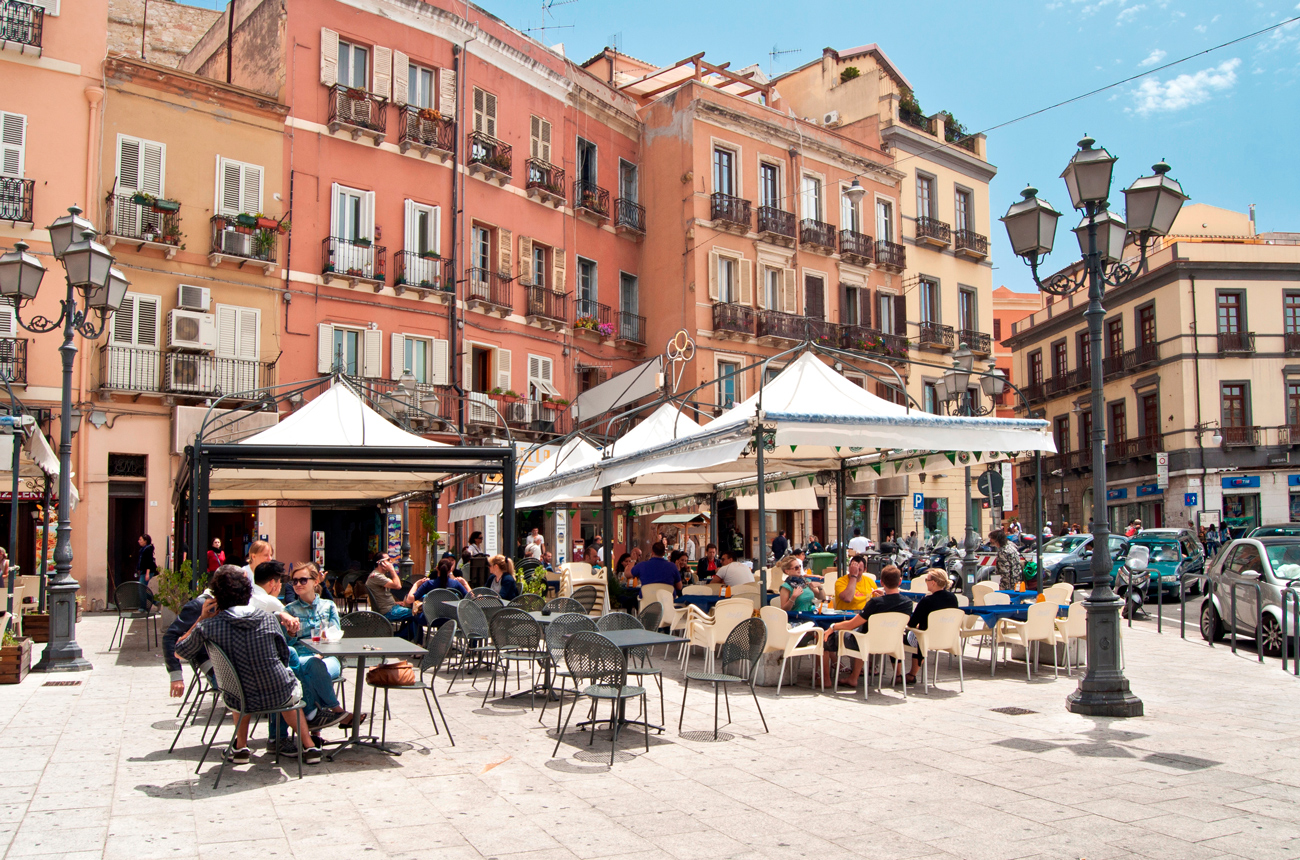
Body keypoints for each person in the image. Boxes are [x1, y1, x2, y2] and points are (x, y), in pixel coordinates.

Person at [174, 565, 322, 765]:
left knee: (239, 685)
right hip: (278, 693)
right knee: (283, 685)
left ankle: (240, 747)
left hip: (239, 698)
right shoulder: (268, 619)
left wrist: (201, 618)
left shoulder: (208, 626)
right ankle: (309, 746)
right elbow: (283, 655)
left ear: (217, 597)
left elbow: (179, 651)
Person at [822, 565, 914, 687]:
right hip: (891, 642)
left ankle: (825, 680)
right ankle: (853, 677)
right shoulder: (907, 603)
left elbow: (851, 625)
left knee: (824, 639)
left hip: (865, 642)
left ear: (881, 582)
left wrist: (833, 627)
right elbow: (891, 606)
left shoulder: (876, 603)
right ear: (900, 581)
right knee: (863, 632)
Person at [905, 569, 960, 680]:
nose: (926, 582)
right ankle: (912, 674)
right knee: (919, 633)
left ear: (933, 582)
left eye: (927, 579)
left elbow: (912, 623)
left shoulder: (927, 601)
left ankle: (907, 675)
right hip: (947, 638)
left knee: (902, 636)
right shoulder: (953, 598)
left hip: (926, 639)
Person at [365, 553, 419, 640]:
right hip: (388, 611)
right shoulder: (376, 576)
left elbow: (380, 596)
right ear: (381, 563)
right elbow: (398, 586)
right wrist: (392, 570)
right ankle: (399, 638)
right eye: (388, 560)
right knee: (416, 614)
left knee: (413, 614)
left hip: (390, 607)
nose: (391, 562)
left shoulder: (378, 576)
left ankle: (401, 636)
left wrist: (395, 603)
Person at [135, 534, 159, 609]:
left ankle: (143, 606)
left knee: (141, 588)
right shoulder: (143, 549)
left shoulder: (148, 549)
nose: (139, 541)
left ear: (145, 541)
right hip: (143, 571)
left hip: (147, 572)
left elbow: (149, 562)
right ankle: (155, 601)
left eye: (140, 540)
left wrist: (147, 574)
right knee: (142, 588)